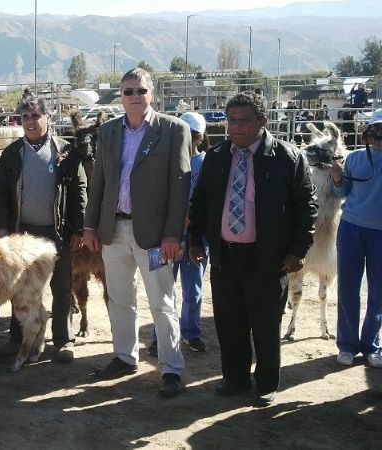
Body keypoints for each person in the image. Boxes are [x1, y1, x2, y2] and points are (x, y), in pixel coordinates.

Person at [188, 92, 317, 406]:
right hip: (225, 255)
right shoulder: (216, 157)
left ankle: (266, 384)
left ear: (263, 121)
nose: (235, 128)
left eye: (243, 121)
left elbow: (306, 208)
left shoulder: (288, 157)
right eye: (231, 121)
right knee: (229, 323)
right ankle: (235, 379)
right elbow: (201, 203)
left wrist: (298, 250)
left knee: (265, 324)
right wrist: (195, 240)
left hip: (268, 258)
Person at [84, 68, 190, 398]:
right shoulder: (109, 131)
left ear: (152, 94)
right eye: (128, 91)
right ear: (120, 95)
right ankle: (125, 356)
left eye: (140, 91)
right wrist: (90, 225)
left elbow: (180, 186)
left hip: (156, 236)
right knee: (119, 298)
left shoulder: (174, 130)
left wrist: (173, 233)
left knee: (162, 302)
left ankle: (171, 368)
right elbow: (97, 181)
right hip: (113, 229)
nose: (134, 97)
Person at [0, 95, 86, 363]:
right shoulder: (11, 154)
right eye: (25, 117)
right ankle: (18, 337)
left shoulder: (65, 151)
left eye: (36, 116)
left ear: (48, 118)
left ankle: (63, 340)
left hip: (57, 231)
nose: (31, 122)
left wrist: (78, 227)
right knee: (19, 287)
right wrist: (0, 229)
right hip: (21, 235)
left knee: (62, 285)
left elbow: (80, 190)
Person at [147, 111, 210, 356]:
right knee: (161, 287)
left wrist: (196, 220)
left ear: (200, 138)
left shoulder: (206, 164)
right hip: (165, 234)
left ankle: (190, 332)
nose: (189, 140)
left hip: (196, 237)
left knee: (193, 288)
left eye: (193, 136)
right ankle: (159, 335)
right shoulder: (165, 162)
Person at [332, 108, 382, 369]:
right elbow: (341, 192)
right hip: (352, 228)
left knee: (378, 292)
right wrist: (337, 178)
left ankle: (371, 344)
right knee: (348, 288)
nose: (378, 136)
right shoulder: (354, 159)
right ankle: (347, 344)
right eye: (375, 130)